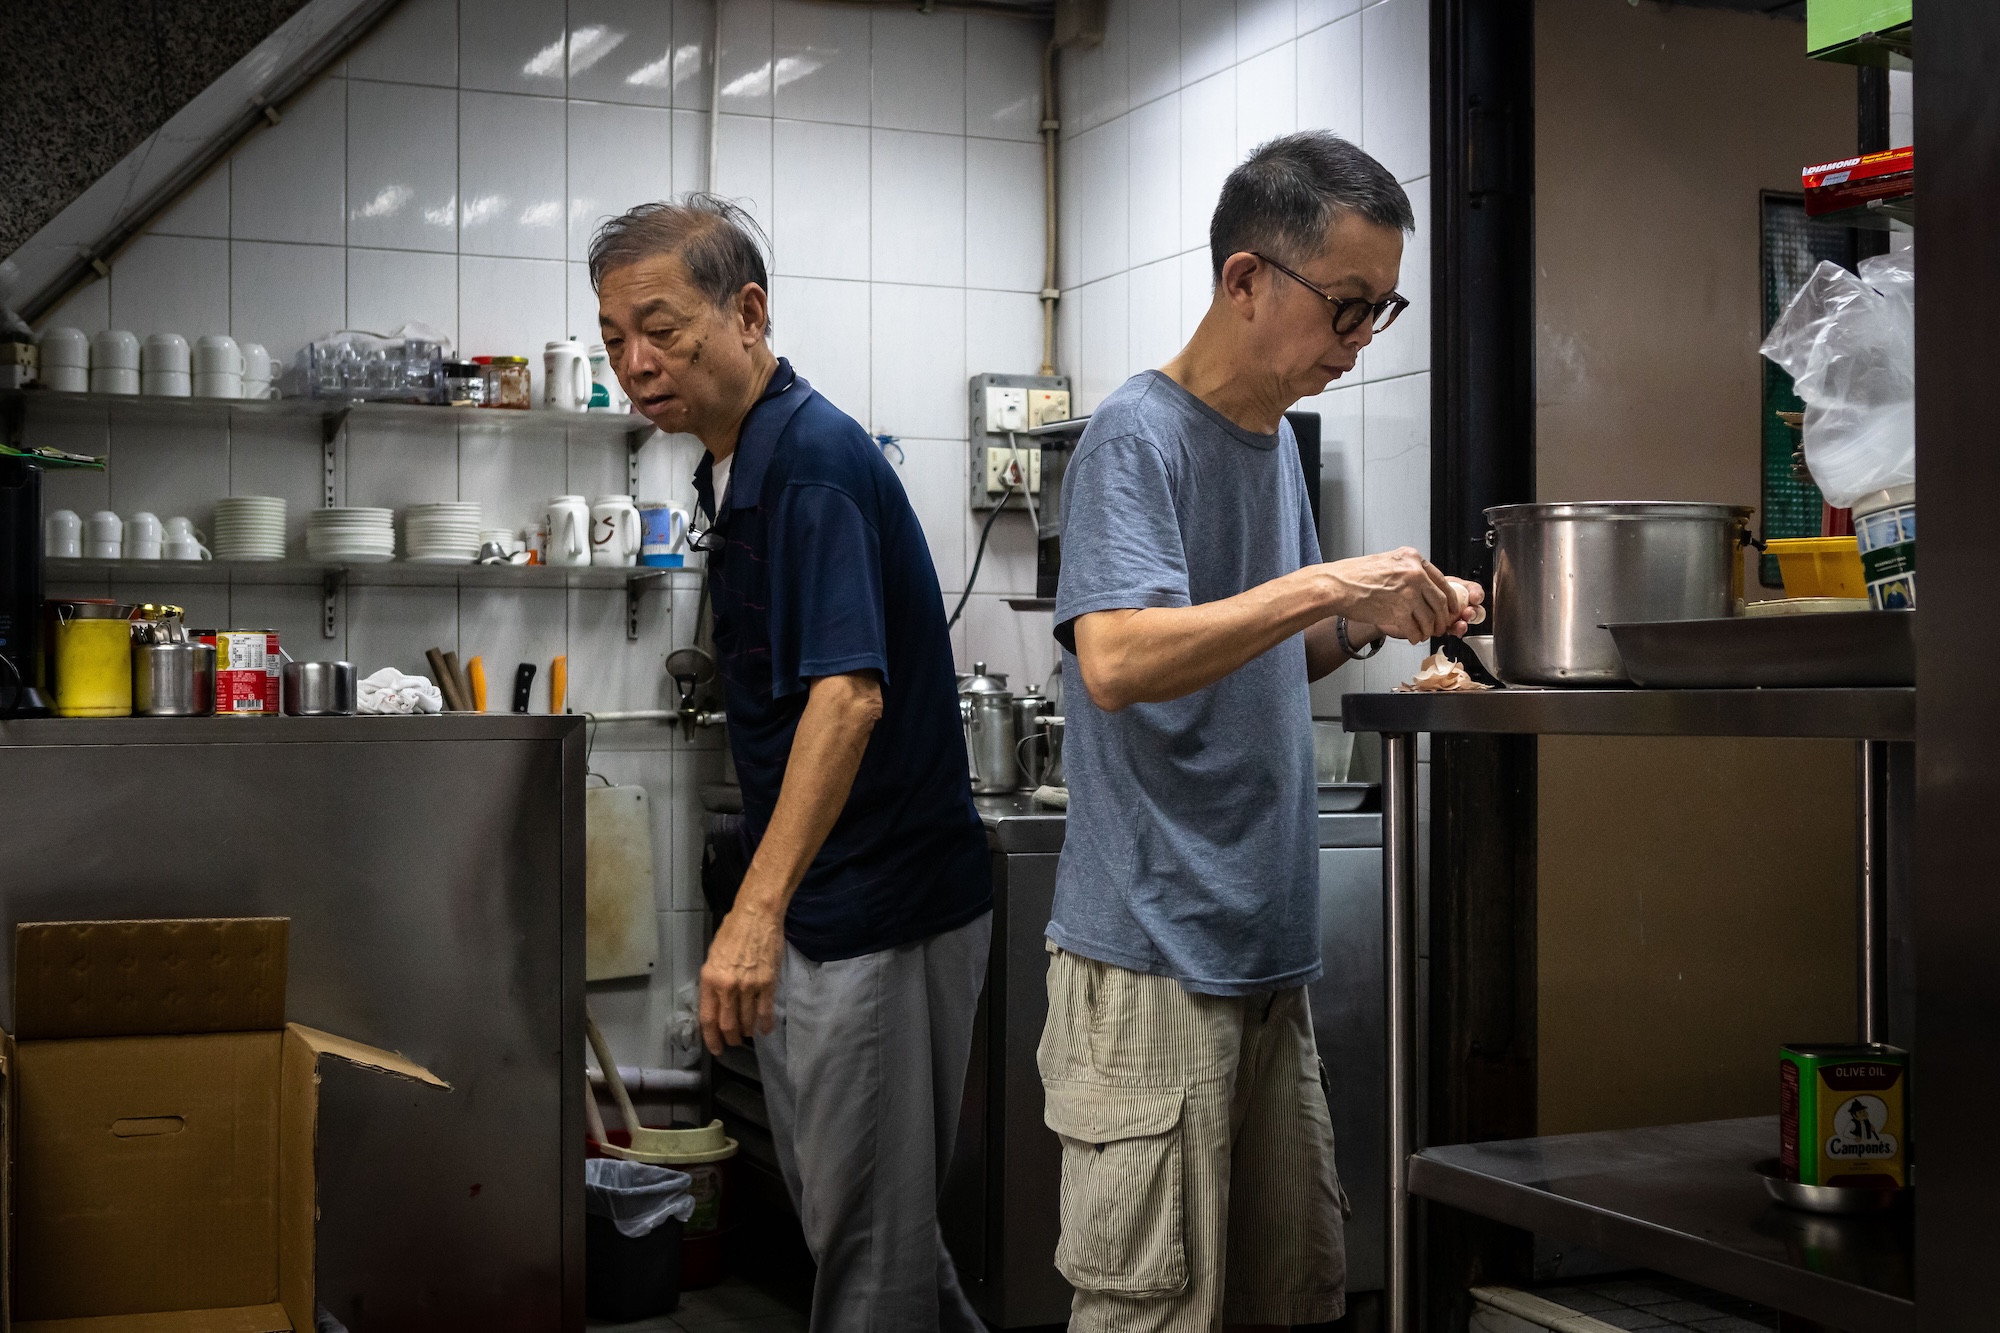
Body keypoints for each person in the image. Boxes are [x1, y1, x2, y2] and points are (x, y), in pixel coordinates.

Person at [1041, 132, 1484, 1332]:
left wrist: (1365, 624)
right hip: (1150, 959)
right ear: (1245, 282)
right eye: (1343, 307)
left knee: (1288, 1299)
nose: (1354, 345)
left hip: (1259, 950)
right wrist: (1327, 582)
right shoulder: (1134, 434)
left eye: (1376, 312)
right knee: (1152, 1307)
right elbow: (1120, 656)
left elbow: (1254, 646)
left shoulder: (1268, 441)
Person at [592, 197, 992, 1333]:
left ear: (747, 312)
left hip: (880, 909)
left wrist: (753, 916)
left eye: (658, 328)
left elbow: (847, 698)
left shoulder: (808, 463)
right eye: (613, 336)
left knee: (869, 1260)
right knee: (881, 1243)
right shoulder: (739, 465)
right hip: (834, 902)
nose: (634, 361)